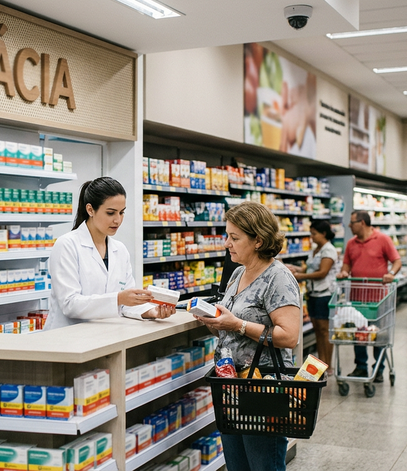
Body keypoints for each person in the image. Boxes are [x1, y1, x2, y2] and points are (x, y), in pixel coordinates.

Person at [195, 201, 302, 471]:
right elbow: (229, 327)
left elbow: (289, 336)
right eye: (227, 236)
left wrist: (237, 325)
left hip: (263, 389)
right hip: (231, 385)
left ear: (259, 240)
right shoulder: (238, 273)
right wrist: (214, 321)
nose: (227, 244)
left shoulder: (278, 277)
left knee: (264, 463)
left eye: (234, 238)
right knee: (237, 465)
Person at [45, 177, 176, 330]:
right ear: (90, 210)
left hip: (105, 337)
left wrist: (152, 311)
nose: (118, 220)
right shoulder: (67, 245)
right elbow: (70, 304)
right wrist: (118, 298)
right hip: (66, 339)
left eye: (121, 213)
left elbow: (126, 306)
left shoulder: (119, 250)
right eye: (110, 213)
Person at [336, 210, 402, 382]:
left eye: (352, 222)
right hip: (358, 297)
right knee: (359, 333)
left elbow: (397, 261)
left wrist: (391, 274)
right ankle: (361, 367)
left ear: (362, 223)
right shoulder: (351, 243)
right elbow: (346, 265)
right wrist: (343, 273)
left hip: (379, 297)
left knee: (378, 334)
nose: (350, 226)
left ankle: (378, 368)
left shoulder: (383, 239)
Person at [286, 220, 337, 376]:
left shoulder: (329, 250)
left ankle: (328, 365)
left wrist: (301, 276)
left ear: (323, 233)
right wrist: (296, 269)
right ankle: (321, 364)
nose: (312, 237)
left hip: (325, 294)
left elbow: (322, 273)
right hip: (313, 294)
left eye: (314, 233)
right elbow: (309, 268)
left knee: (325, 331)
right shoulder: (316, 250)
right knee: (317, 330)